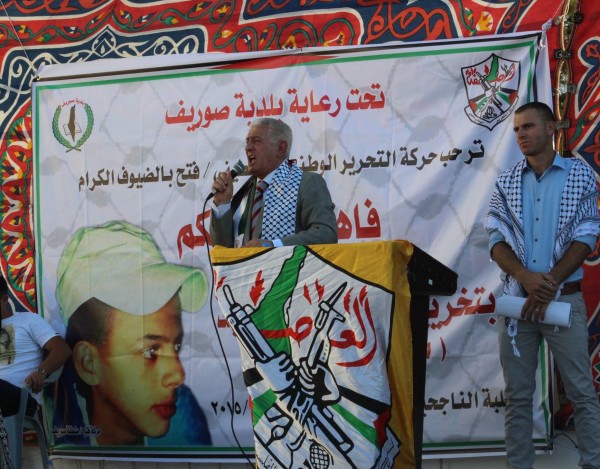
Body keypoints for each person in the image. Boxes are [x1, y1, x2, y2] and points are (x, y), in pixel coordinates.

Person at [485, 101, 600, 469]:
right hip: (517, 304)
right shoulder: (506, 181)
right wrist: (525, 278)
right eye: (517, 129)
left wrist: (548, 283)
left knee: (582, 392)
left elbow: (586, 235)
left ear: (551, 129)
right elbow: (495, 239)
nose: (522, 134)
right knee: (518, 396)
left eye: (529, 126)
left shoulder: (578, 175)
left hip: (563, 302)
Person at [50, 220, 212, 446]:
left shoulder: (185, 419)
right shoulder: (63, 429)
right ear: (89, 363)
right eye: (150, 352)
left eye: (176, 346)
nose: (178, 375)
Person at [210, 117, 338, 247]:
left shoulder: (307, 183)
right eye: (247, 141)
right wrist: (222, 204)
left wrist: (273, 245)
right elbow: (222, 249)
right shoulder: (243, 193)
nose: (248, 147)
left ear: (281, 148)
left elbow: (325, 234)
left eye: (256, 141)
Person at [0, 275, 71, 419]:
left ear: (5, 300)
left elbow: (61, 350)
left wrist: (40, 371)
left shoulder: (28, 320)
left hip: (20, 398)